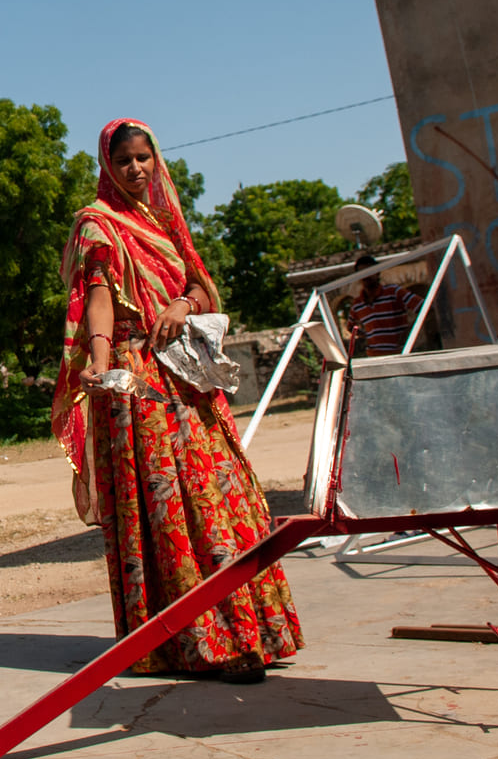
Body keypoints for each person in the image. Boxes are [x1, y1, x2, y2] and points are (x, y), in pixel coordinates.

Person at [52, 119, 302, 683]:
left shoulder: (164, 223)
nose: (136, 169)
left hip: (187, 374)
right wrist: (98, 365)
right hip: (137, 378)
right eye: (124, 162)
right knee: (172, 505)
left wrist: (180, 307)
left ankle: (253, 627)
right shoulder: (98, 224)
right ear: (107, 167)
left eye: (144, 158)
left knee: (225, 496)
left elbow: (201, 286)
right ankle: (203, 643)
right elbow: (97, 298)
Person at [347, 253, 422, 356]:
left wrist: (410, 331)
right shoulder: (358, 304)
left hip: (400, 353)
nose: (366, 276)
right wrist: (369, 336)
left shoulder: (394, 292)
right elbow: (350, 327)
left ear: (377, 272)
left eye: (369, 272)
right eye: (362, 273)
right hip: (374, 355)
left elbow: (424, 307)